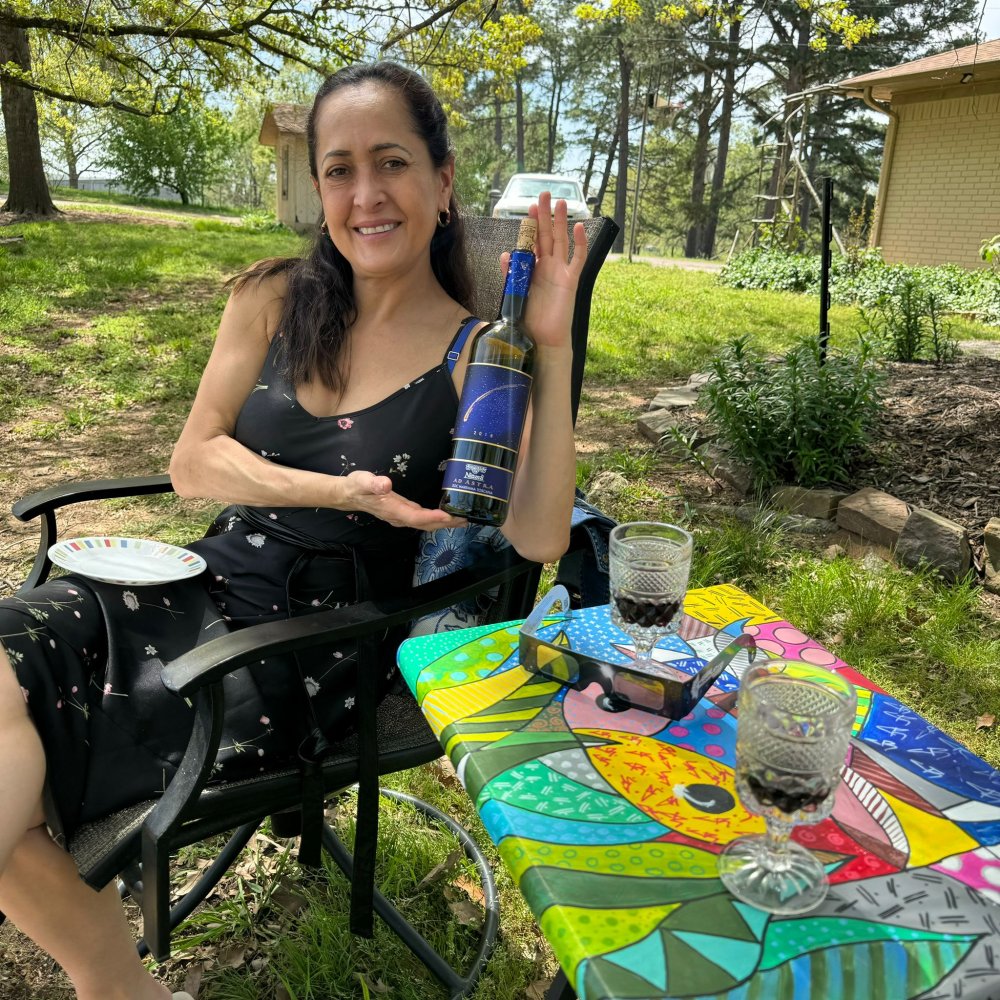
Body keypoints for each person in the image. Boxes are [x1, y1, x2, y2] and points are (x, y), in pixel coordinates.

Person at [0, 60, 588, 1000]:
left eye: (391, 162)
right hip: (188, 580)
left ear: (442, 184)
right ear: (319, 189)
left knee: (14, 794)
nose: (365, 195)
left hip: (312, 639)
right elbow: (195, 461)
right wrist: (342, 490)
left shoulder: (480, 351)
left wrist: (550, 345)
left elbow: (540, 536)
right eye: (339, 169)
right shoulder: (274, 297)